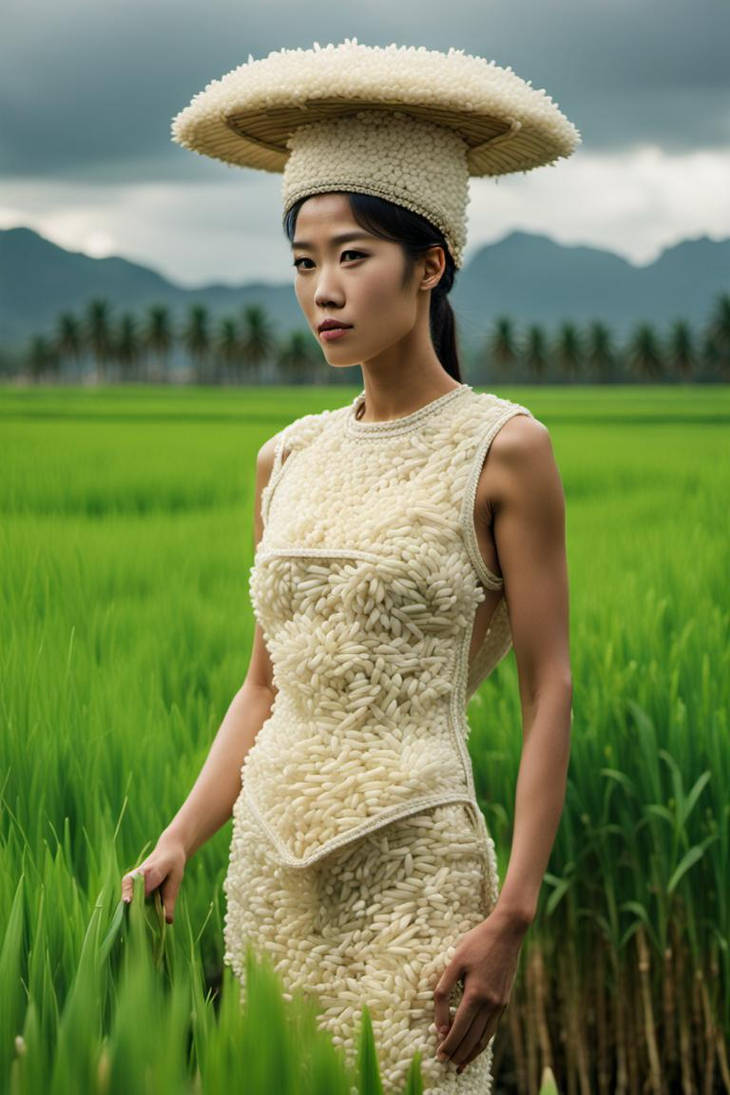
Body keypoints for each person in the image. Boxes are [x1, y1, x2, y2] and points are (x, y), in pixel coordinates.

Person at [122, 39, 578, 1093]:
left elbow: (549, 686)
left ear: (430, 264)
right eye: (303, 262)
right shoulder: (285, 459)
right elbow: (264, 687)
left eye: (353, 256)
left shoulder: (504, 449)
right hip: (269, 870)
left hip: (415, 873)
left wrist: (512, 914)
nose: (323, 291)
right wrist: (182, 835)